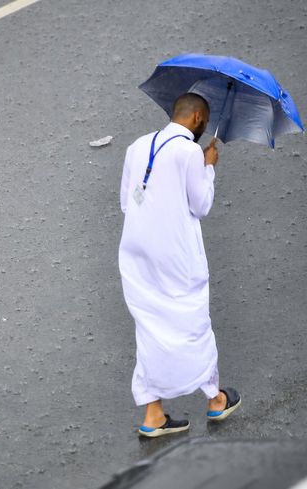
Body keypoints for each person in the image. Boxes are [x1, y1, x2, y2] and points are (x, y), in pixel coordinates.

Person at [118, 93, 242, 438]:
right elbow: (200, 205)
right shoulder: (189, 152)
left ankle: (153, 414)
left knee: (150, 327)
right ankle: (215, 398)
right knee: (192, 322)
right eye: (206, 121)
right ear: (198, 117)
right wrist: (208, 167)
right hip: (176, 255)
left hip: (136, 253)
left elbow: (127, 203)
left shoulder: (137, 146)